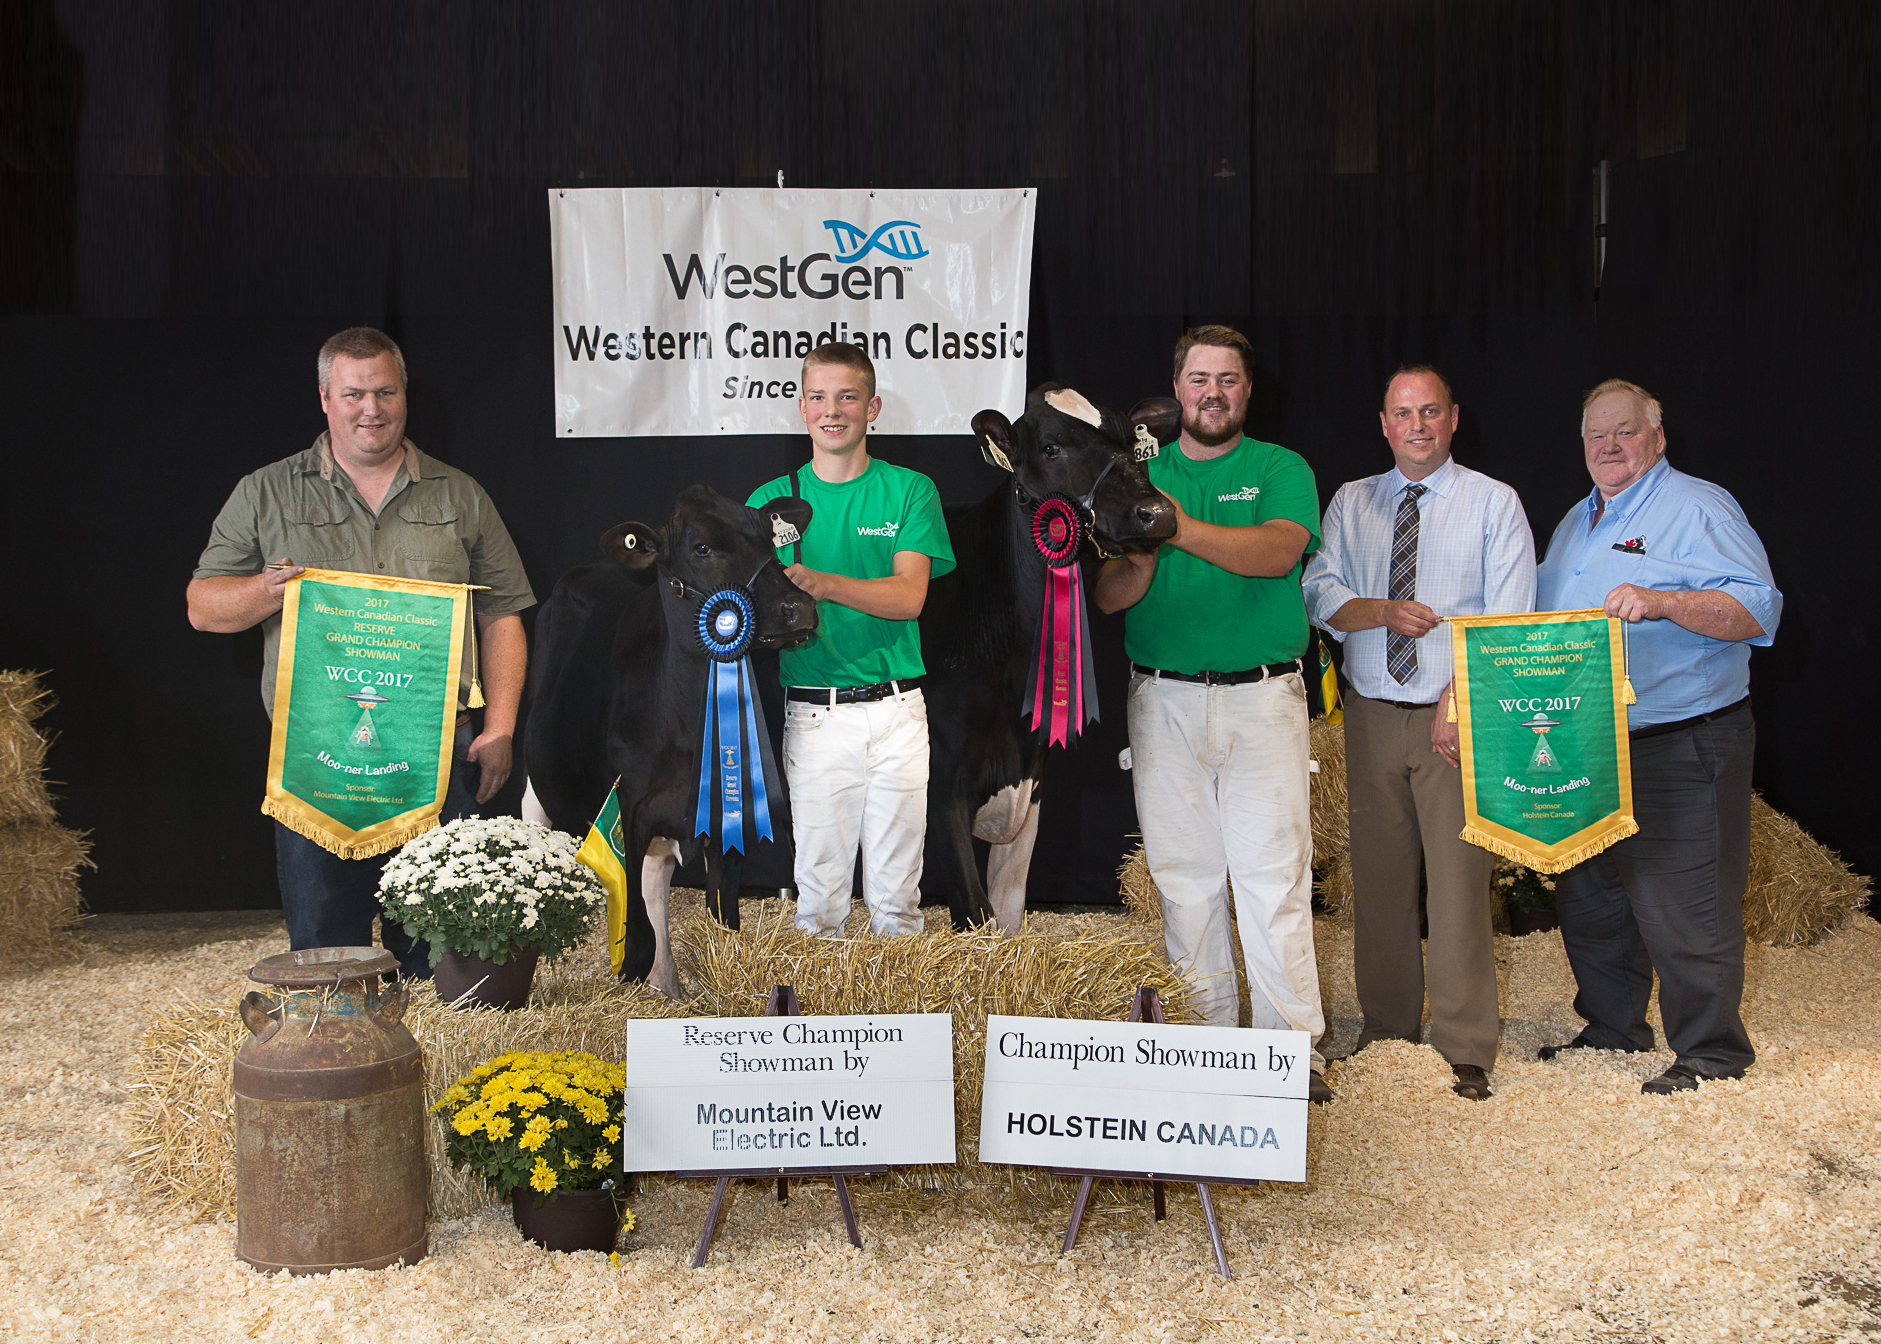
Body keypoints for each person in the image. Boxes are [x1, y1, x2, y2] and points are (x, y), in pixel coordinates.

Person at [187, 327, 535, 976]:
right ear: (324, 398)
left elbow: (502, 615)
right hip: (317, 759)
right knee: (325, 959)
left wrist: (501, 728)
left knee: (445, 962)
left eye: (385, 392)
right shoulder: (265, 492)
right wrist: (265, 591)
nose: (370, 409)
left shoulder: (460, 494)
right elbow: (202, 607)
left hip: (439, 755)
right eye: (353, 394)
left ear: (405, 395)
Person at [1094, 324, 1333, 1103]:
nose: (1212, 393)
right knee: (1184, 882)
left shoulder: (1277, 467)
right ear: (1175, 390)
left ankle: (1292, 1053)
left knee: (1272, 880)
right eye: (1198, 379)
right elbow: (1109, 597)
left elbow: (1276, 553)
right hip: (1160, 697)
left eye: (1227, 380)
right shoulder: (1134, 473)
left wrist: (1177, 526)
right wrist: (1140, 556)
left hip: (1261, 697)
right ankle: (1205, 1045)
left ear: (1247, 390)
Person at [1535, 379, 1780, 1095]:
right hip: (1590, 739)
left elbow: (1757, 609)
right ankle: (1613, 1028)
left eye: (1625, 431)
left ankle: (1712, 1053)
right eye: (1596, 435)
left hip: (1681, 740)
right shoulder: (1574, 522)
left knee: (1686, 902)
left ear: (1658, 436)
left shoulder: (1698, 507)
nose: (1609, 446)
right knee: (1592, 899)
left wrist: (1664, 601)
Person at [1303, 366, 1535, 1101]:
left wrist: (1458, 700)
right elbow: (1318, 591)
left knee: (1459, 887)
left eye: (1430, 411)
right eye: (1403, 414)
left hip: (1452, 718)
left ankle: (1464, 1047)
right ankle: (1386, 1030)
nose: (1417, 425)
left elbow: (1509, 619)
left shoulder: (1493, 503)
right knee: (1378, 884)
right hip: (1371, 715)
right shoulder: (1351, 502)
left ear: (1453, 417)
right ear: (1383, 425)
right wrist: (1379, 612)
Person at [746, 343, 955, 938]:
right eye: (818, 397)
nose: (831, 410)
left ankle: (899, 999)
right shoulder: (766, 503)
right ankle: (820, 1001)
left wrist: (825, 584)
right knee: (819, 900)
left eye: (847, 397)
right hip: (815, 716)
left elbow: (909, 596)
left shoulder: (910, 490)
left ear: (873, 407)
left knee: (898, 900)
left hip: (898, 712)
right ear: (801, 407)